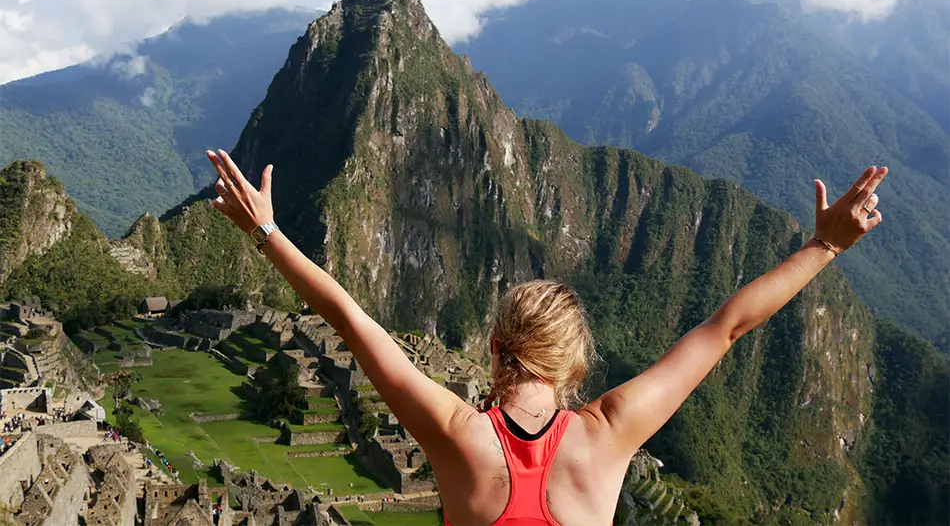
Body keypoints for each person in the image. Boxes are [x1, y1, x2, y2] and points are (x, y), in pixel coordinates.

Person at [206, 150, 887, 525]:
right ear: (576, 365)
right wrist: (825, 246)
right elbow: (726, 328)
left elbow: (352, 321)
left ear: (496, 350)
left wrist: (266, 231)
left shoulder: (455, 432)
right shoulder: (609, 433)